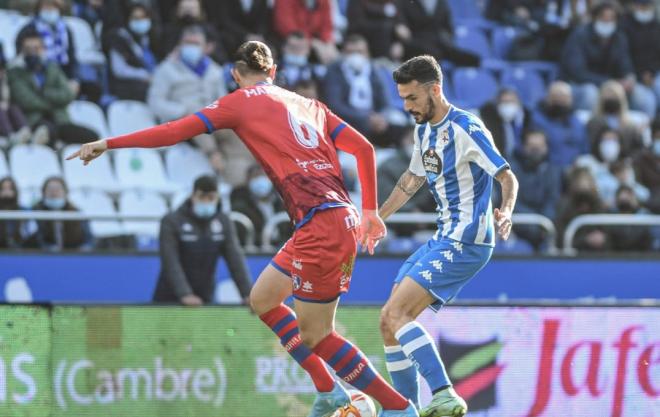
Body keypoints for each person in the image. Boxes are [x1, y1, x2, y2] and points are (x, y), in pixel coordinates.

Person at [67, 41, 418, 417]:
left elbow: (173, 131)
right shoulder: (308, 104)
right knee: (264, 299)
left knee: (318, 335)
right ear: (274, 70)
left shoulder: (239, 101)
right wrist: (369, 212)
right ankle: (328, 390)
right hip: (332, 218)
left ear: (235, 75)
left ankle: (398, 409)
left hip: (323, 224)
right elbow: (364, 148)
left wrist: (108, 142)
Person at [377, 55, 518, 417]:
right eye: (403, 99)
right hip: (445, 237)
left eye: (412, 98)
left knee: (397, 313)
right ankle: (404, 410)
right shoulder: (422, 130)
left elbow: (507, 176)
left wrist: (507, 211)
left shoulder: (467, 128)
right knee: (387, 321)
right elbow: (411, 180)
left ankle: (443, 394)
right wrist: (378, 218)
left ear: (434, 90)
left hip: (468, 241)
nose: (406, 107)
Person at [153, 175, 252, 305]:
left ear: (217, 198)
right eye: (201, 197)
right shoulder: (171, 221)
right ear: (192, 196)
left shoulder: (224, 222)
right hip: (169, 297)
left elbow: (235, 259)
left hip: (204, 297)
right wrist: (185, 293)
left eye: (210, 198)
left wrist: (248, 294)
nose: (206, 202)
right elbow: (170, 261)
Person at [560, 1, 657, 117]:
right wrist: (609, 82)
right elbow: (577, 72)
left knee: (645, 97)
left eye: (611, 19)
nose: (607, 23)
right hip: (581, 85)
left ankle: (640, 131)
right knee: (590, 94)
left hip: (612, 84)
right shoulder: (579, 35)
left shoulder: (619, 38)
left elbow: (625, 63)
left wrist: (629, 77)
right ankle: (592, 128)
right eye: (603, 18)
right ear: (594, 18)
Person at [147, 25, 227, 165]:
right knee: (196, 115)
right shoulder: (166, 69)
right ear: (180, 45)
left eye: (196, 44)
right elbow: (155, 102)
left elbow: (224, 101)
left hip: (212, 124)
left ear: (206, 47)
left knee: (239, 130)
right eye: (188, 43)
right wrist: (181, 110)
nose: (191, 47)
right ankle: (212, 154)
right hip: (180, 122)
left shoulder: (215, 71)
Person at [8, 29, 99, 146]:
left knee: (92, 138)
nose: (33, 53)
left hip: (60, 121)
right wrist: (56, 101)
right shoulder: (14, 72)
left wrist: (44, 93)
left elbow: (68, 94)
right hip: (34, 122)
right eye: (28, 49)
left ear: (43, 49)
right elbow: (26, 101)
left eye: (36, 48)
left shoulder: (52, 68)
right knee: (46, 132)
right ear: (20, 51)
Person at [323, 34, 405, 148]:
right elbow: (335, 105)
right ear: (343, 53)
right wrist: (366, 117)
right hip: (348, 119)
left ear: (367, 53)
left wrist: (380, 117)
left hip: (374, 119)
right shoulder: (335, 70)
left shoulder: (373, 69)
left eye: (360, 52)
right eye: (351, 52)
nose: (356, 56)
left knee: (398, 120)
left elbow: (386, 100)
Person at [509, 130, 562, 250]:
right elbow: (511, 202)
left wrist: (543, 223)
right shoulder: (511, 171)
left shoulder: (553, 171)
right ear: (523, 147)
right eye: (532, 147)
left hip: (545, 230)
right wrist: (535, 223)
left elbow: (552, 201)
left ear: (546, 148)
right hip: (517, 228)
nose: (535, 151)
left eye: (539, 147)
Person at [531, 81, 589, 170]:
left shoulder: (577, 122)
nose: (560, 101)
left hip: (575, 171)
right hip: (549, 169)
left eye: (564, 98)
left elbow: (584, 149)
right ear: (548, 98)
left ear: (571, 100)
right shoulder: (537, 120)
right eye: (556, 97)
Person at [106, 3, 158, 101]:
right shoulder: (118, 38)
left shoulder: (147, 38)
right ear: (128, 19)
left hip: (149, 80)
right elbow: (119, 70)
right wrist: (144, 75)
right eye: (136, 18)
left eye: (143, 17)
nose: (140, 21)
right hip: (127, 84)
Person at [230, 164, 290, 248]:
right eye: (255, 177)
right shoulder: (240, 207)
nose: (260, 180)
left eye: (264, 176)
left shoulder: (282, 204)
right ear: (248, 181)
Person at [27, 176, 93, 251]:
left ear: (65, 192)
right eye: (50, 189)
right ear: (43, 192)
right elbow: (36, 239)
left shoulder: (76, 213)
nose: (54, 192)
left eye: (58, 189)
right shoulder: (35, 212)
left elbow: (88, 240)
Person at [479, 88, 532, 159]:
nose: (508, 106)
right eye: (504, 102)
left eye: (511, 102)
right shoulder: (488, 122)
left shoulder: (525, 119)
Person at [0, 177, 27, 249]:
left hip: (18, 250)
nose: (6, 192)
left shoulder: (23, 211)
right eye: (3, 189)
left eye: (9, 188)